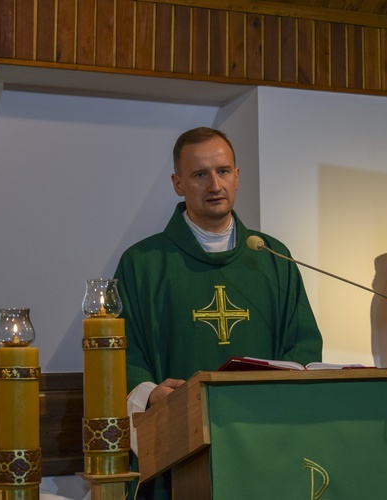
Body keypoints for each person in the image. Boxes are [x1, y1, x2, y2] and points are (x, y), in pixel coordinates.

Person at [114, 127, 323, 498]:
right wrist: (149, 393)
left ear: (238, 176)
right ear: (178, 184)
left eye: (223, 171)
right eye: (199, 175)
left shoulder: (272, 257)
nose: (215, 184)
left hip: (264, 440)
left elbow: (302, 344)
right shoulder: (143, 264)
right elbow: (122, 354)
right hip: (177, 454)